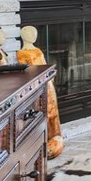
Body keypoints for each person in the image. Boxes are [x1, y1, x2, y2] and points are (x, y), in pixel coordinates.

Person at [16, 26, 64, 158]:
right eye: (30, 32)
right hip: (38, 86)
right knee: (44, 112)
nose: (34, 35)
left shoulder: (37, 50)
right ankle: (42, 141)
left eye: (35, 32)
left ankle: (54, 138)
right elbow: (28, 73)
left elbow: (44, 66)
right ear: (23, 35)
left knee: (52, 112)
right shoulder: (21, 54)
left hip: (47, 84)